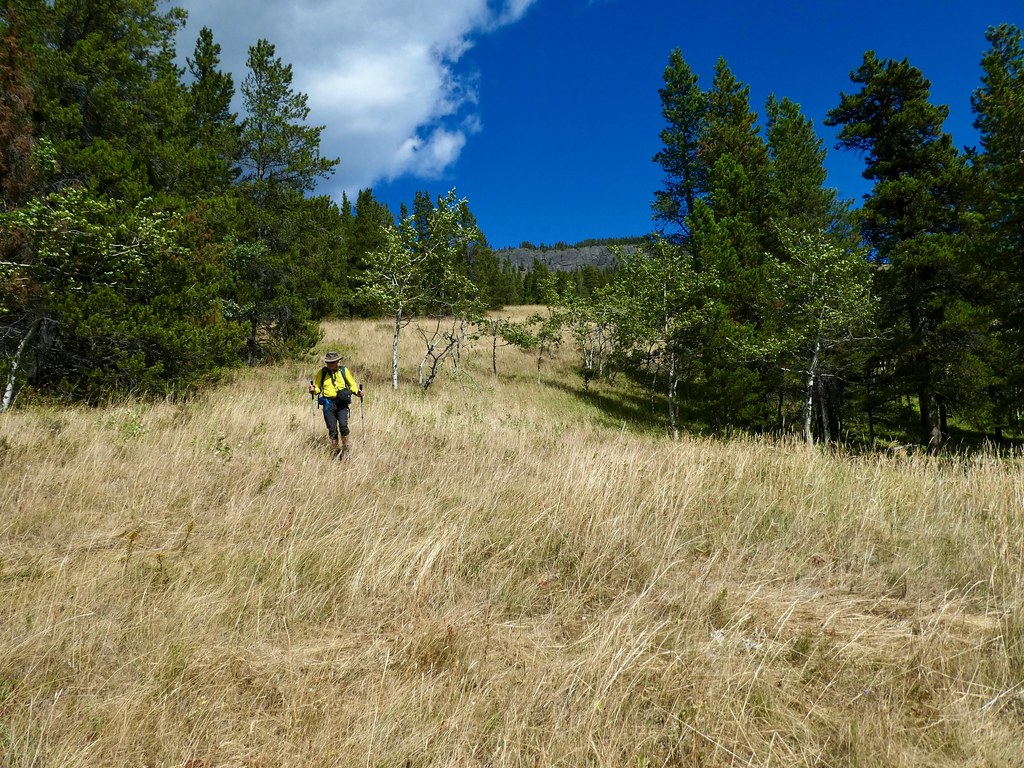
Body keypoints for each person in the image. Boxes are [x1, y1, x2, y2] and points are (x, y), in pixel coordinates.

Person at [309, 351, 363, 459]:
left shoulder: (343, 371)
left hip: (342, 404)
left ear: (338, 361)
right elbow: (318, 388)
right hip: (328, 404)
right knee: (332, 429)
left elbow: (352, 384)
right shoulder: (322, 373)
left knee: (343, 426)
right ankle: (335, 452)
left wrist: (358, 392)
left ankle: (346, 450)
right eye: (328, 362)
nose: (330, 364)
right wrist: (313, 390)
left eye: (332, 362)